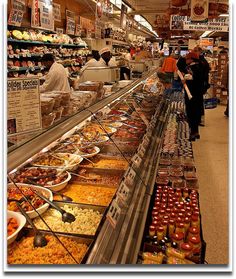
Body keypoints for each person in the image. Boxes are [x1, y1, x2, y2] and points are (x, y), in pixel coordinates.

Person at [182, 52, 205, 141]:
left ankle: (192, 133)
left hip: (191, 94)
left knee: (191, 112)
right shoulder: (200, 66)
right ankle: (196, 131)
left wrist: (185, 80)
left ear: (192, 59)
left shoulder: (194, 68)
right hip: (197, 93)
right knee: (196, 112)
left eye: (187, 59)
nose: (186, 60)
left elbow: (193, 79)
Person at [193, 47, 211, 126]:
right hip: (200, 84)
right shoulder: (201, 61)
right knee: (198, 102)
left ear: (200, 52)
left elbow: (202, 74)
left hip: (199, 85)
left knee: (199, 102)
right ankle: (198, 118)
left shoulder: (201, 62)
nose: (194, 52)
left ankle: (200, 119)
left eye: (195, 51)